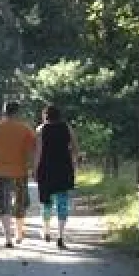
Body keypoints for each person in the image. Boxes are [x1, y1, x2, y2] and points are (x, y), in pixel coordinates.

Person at [0, 101, 36, 248]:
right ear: (18, 112)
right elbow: (32, 150)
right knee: (20, 203)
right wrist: (32, 167)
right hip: (20, 172)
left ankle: (8, 238)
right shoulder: (25, 129)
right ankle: (19, 233)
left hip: (1, 172)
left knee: (4, 205)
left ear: (4, 112)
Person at [34, 104, 79, 249]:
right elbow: (75, 148)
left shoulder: (41, 130)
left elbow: (38, 152)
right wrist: (73, 163)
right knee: (62, 202)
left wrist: (34, 169)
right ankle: (60, 235)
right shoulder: (67, 128)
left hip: (46, 169)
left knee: (46, 201)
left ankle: (46, 230)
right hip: (63, 168)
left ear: (45, 116)